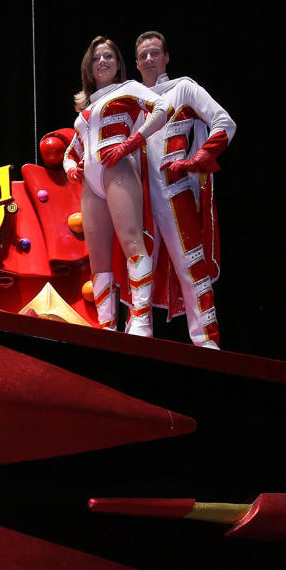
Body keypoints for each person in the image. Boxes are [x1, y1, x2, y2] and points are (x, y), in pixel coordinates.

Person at [135, 30, 235, 348]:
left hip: (173, 188)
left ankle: (206, 339)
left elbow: (224, 122)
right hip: (136, 195)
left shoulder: (184, 88)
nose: (149, 59)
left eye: (155, 53)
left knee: (191, 262)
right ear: (136, 63)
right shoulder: (130, 98)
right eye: (143, 55)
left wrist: (197, 159)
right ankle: (138, 332)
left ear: (166, 57)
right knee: (138, 261)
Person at [62, 36, 167, 335]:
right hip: (93, 181)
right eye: (96, 59)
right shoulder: (84, 110)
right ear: (89, 68)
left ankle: (141, 321)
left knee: (133, 242)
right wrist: (72, 169)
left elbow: (161, 109)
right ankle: (107, 325)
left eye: (108, 56)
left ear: (118, 63)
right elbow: (71, 152)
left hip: (118, 166)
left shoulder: (129, 89)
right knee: (98, 259)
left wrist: (131, 143)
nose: (102, 62)